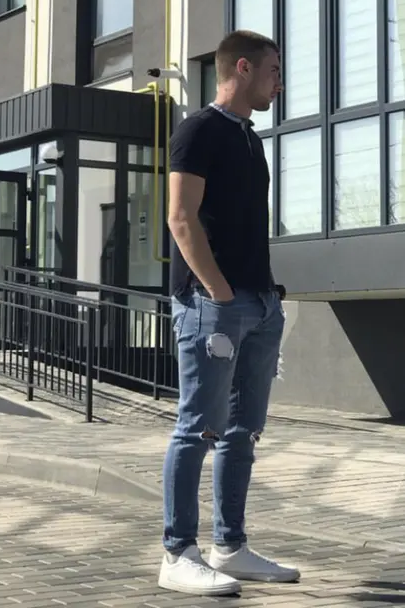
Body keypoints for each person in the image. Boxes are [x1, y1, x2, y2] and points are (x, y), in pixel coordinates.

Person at [158, 30, 301, 596]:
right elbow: (180, 217)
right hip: (211, 303)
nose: (279, 82)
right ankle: (177, 553)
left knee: (243, 432)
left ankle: (230, 547)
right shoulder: (198, 130)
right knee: (198, 428)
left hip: (259, 303)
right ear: (242, 68)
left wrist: (264, 299)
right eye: (274, 70)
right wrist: (218, 293)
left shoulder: (250, 140)